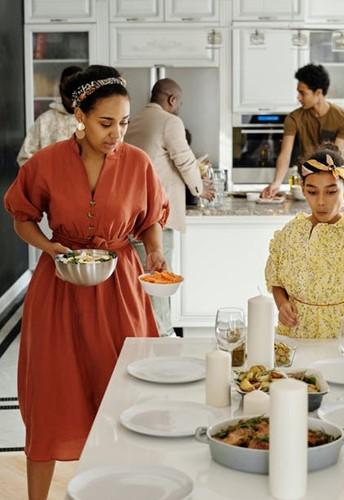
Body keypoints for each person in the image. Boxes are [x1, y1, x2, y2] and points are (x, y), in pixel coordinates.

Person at [4, 65, 169, 500]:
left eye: (125, 122)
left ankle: (128, 490)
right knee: (52, 394)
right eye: (106, 123)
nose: (117, 133)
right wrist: (49, 247)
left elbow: (151, 220)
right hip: (59, 288)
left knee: (126, 393)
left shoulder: (138, 163)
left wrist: (153, 250)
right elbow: (22, 217)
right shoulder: (45, 163)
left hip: (121, 290)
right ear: (80, 115)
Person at [265, 144, 344, 353]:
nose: (321, 202)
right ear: (303, 190)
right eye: (312, 192)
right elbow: (276, 282)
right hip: (293, 337)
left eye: (331, 192)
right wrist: (282, 305)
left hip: (338, 340)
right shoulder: (290, 233)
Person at [125, 78, 213, 337]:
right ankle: (162, 334)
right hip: (157, 214)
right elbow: (185, 161)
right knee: (159, 279)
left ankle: (144, 332)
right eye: (180, 103)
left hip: (132, 211)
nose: (179, 108)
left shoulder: (134, 119)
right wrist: (201, 190)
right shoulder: (170, 121)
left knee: (140, 279)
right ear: (172, 100)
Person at [261, 64, 344, 198]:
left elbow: (336, 156)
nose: (298, 97)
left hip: (332, 181)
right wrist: (276, 183)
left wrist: (343, 184)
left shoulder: (343, 119)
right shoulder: (294, 118)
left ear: (318, 93)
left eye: (302, 93)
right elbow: (285, 154)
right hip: (307, 182)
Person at [17, 65, 82, 166]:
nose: (72, 97)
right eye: (67, 89)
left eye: (76, 89)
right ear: (60, 89)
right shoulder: (44, 121)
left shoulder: (92, 121)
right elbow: (24, 159)